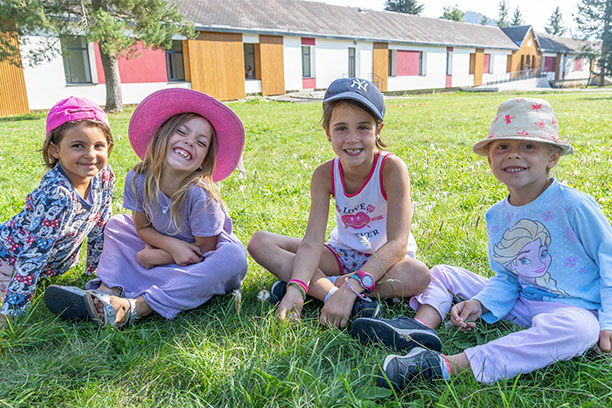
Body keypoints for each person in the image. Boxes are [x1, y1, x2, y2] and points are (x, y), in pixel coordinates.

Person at [351, 97, 612, 388]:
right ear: (489, 158)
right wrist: (480, 303)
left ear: (552, 157)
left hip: (575, 309)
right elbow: (508, 277)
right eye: (502, 147)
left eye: (528, 146)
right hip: (524, 301)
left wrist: (607, 322)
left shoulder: (574, 206)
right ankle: (418, 328)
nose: (513, 155)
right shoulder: (497, 215)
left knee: (578, 331)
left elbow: (609, 261)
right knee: (443, 272)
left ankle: (445, 365)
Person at [44, 88, 248, 327]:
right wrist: (169, 247)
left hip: (200, 260)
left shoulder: (201, 195)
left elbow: (205, 248)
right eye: (181, 132)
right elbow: (141, 227)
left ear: (204, 161)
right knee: (118, 224)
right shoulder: (138, 179)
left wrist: (156, 257)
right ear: (162, 136)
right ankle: (107, 291)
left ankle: (138, 307)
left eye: (200, 142)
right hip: (164, 249)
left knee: (233, 257)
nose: (189, 142)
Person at [248, 78, 430, 329]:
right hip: (341, 253)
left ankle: (330, 290)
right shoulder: (324, 175)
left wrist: (352, 286)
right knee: (260, 242)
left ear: (379, 130)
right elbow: (312, 241)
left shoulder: (391, 168)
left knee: (418, 275)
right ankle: (329, 294)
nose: (352, 138)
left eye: (363, 127)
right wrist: (297, 287)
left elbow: (397, 244)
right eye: (341, 128)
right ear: (327, 131)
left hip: (386, 263)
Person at [0, 96, 114, 327]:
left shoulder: (103, 176)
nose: (91, 154)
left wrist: (94, 273)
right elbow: (33, 254)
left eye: (98, 146)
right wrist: (13, 312)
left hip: (50, 265)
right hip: (8, 259)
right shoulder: (57, 195)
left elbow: (101, 225)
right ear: (54, 150)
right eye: (77, 146)